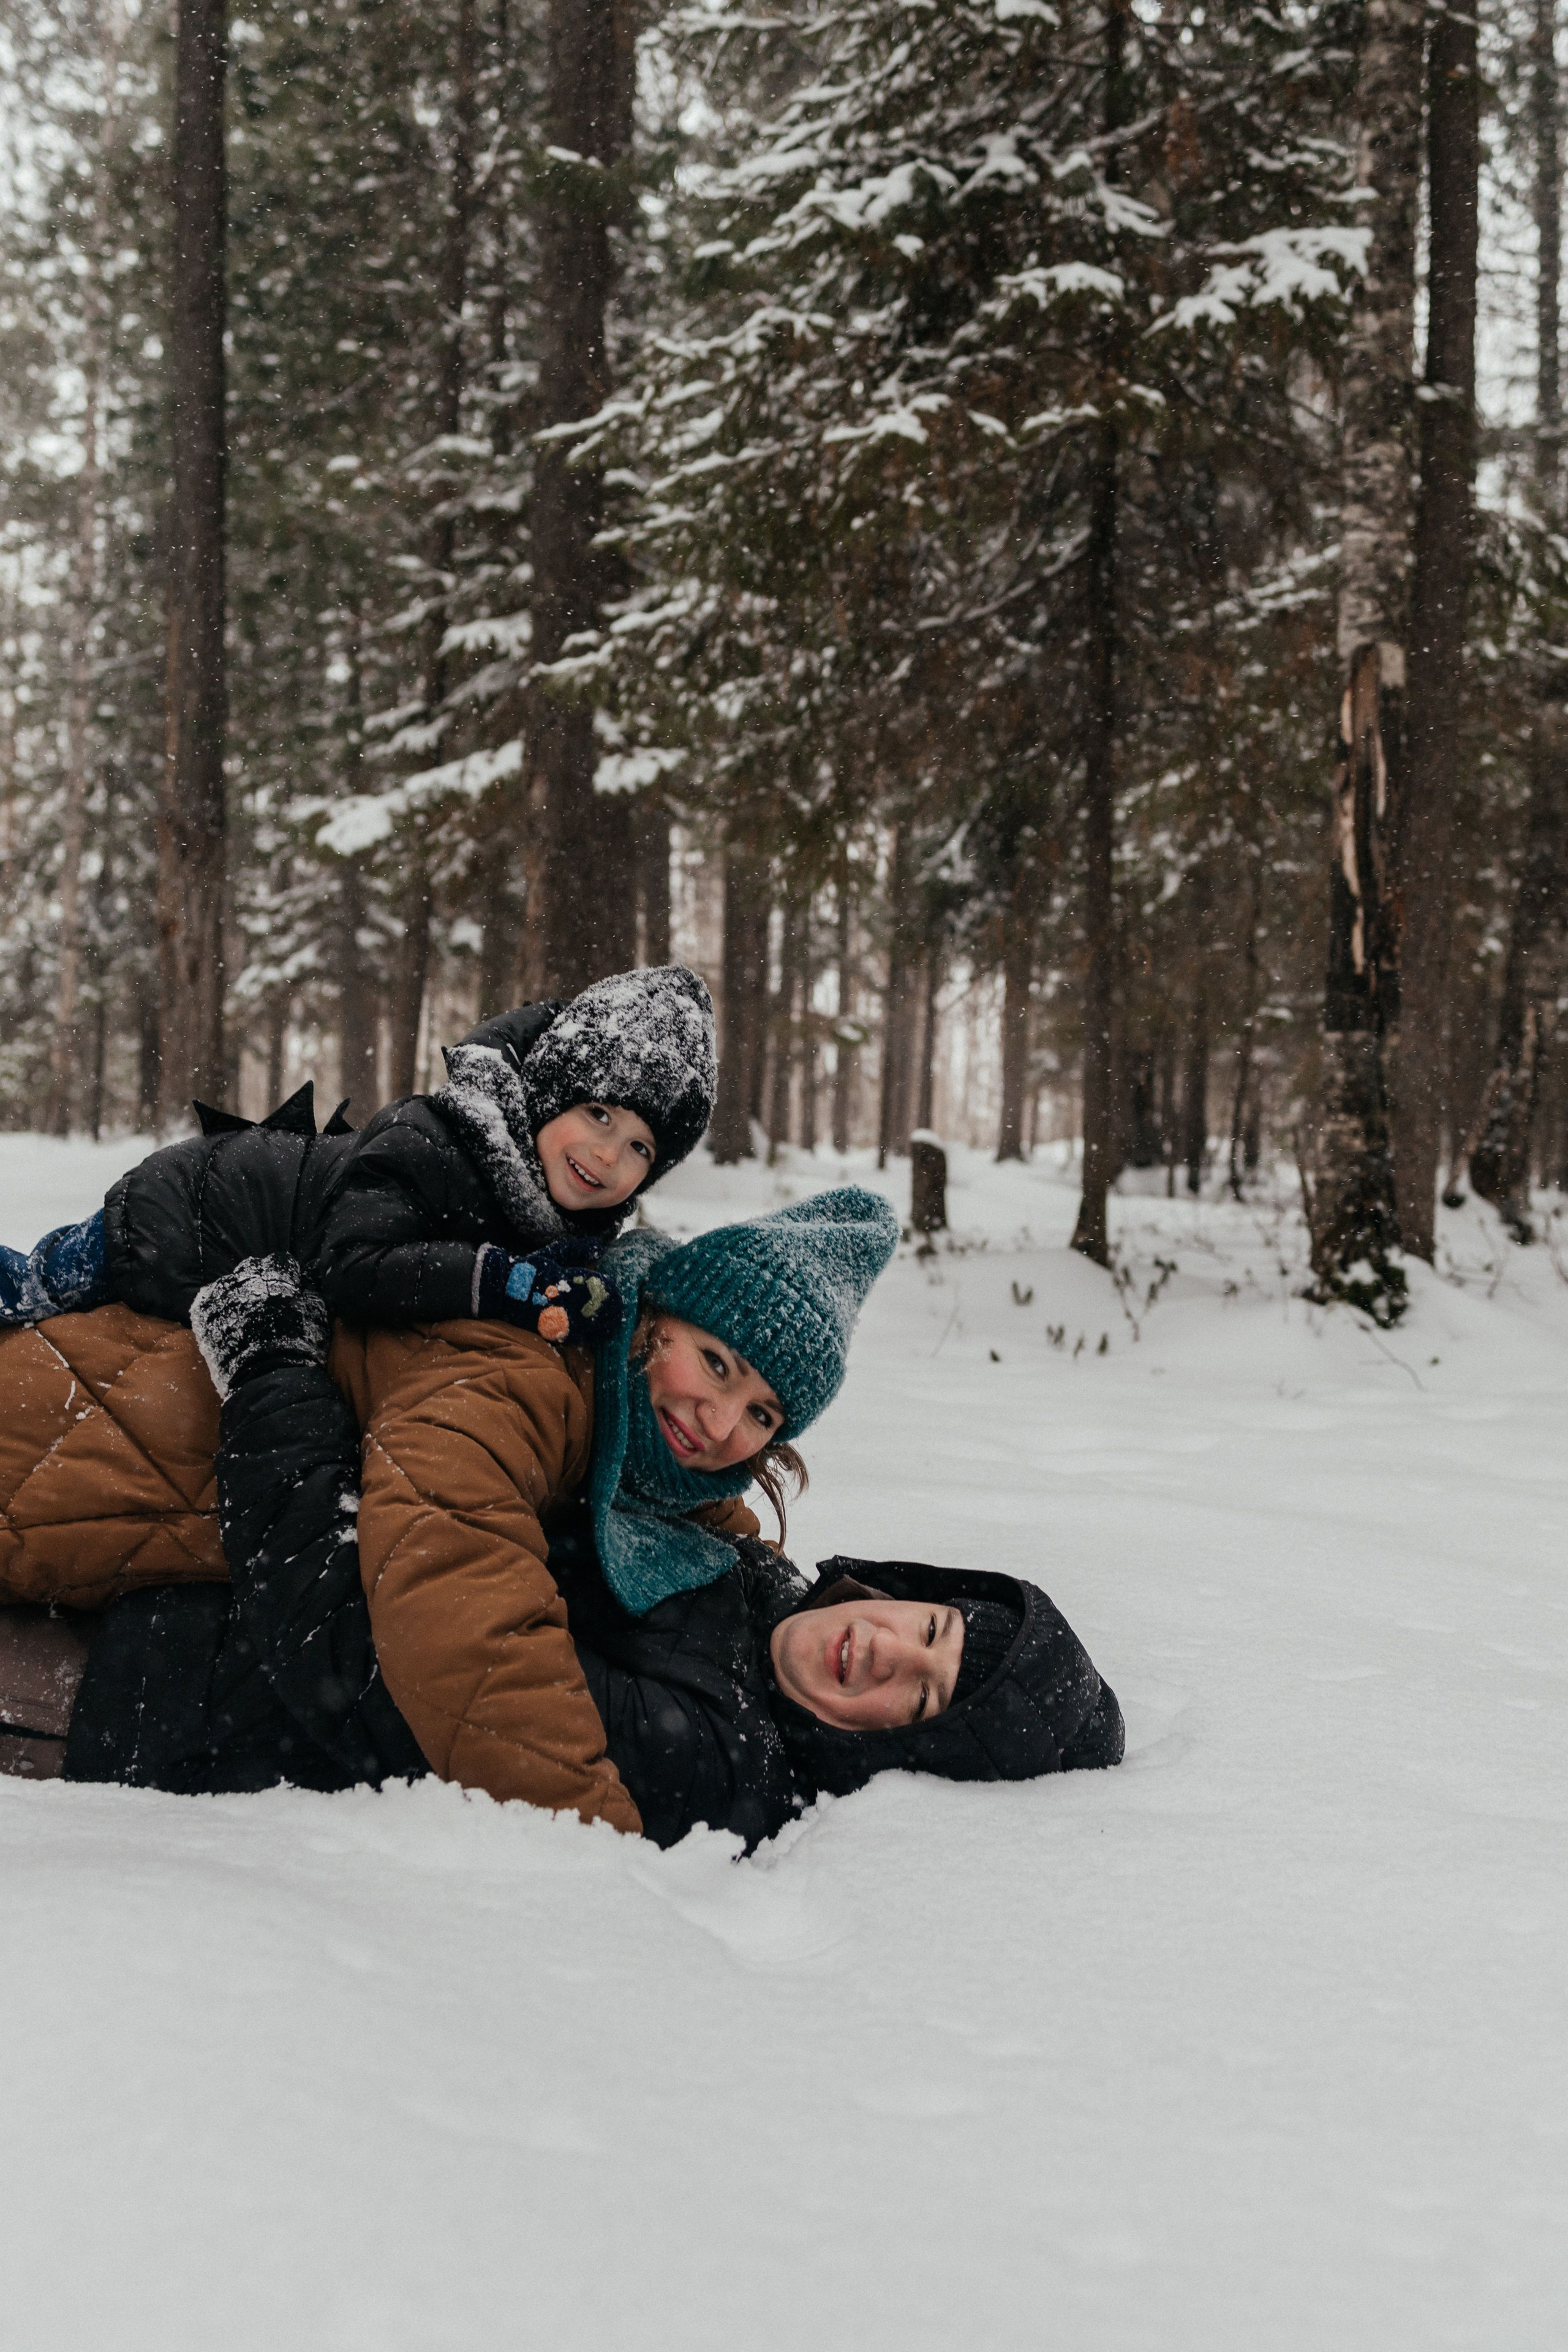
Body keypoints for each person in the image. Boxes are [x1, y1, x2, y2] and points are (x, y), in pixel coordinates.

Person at [0, 1188, 1123, 1845]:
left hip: (137, 1671)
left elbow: (376, 1652)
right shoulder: (710, 1542)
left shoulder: (722, 1756)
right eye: (928, 1628)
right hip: (123, 1456)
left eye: (918, 1702)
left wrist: (275, 1374)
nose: (883, 1655)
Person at [0, 962, 717, 1349]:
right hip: (189, 1210)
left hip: (237, 1243)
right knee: (38, 1288)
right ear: (546, 1095)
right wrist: (495, 1281)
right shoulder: (434, 1139)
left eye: (640, 1148)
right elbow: (355, 1269)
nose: (606, 1152)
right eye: (597, 1113)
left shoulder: (560, 1223)